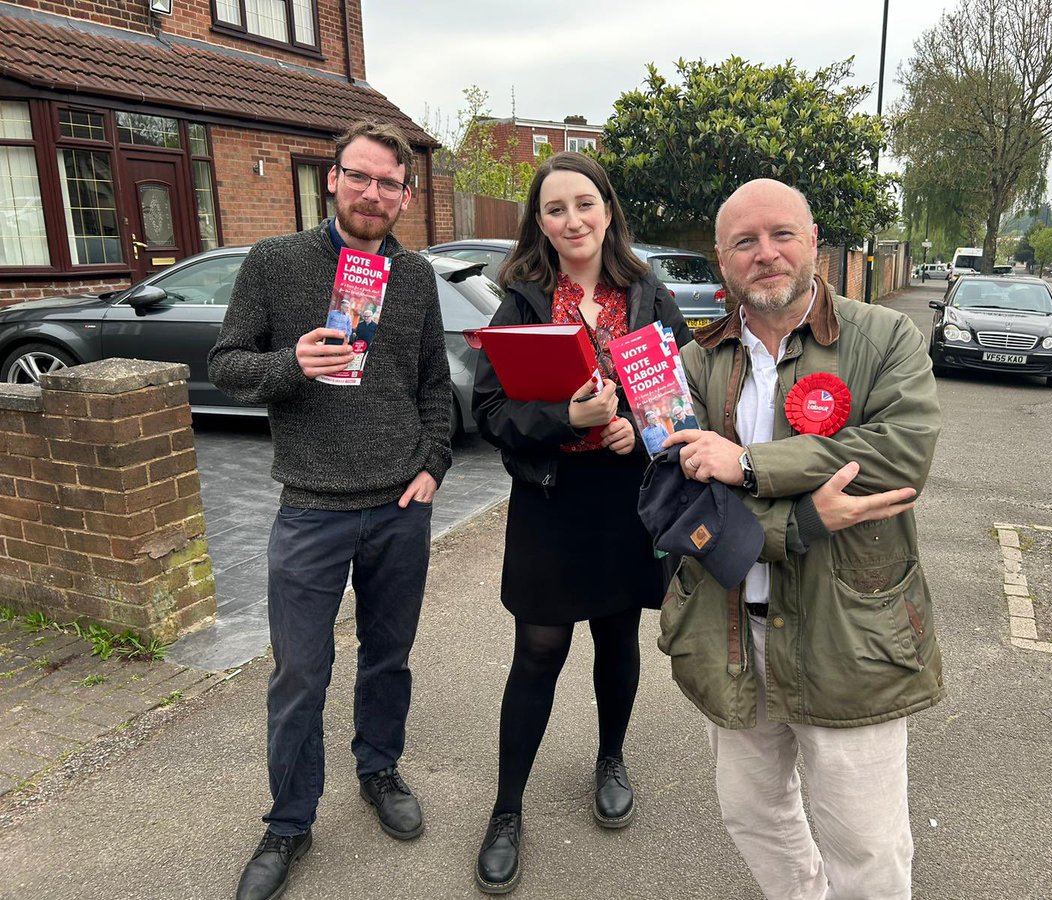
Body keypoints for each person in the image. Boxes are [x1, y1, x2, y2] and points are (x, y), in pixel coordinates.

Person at [660, 178, 944, 900]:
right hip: (733, 629)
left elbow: (898, 456)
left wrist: (748, 464)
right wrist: (803, 519)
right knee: (753, 813)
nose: (766, 254)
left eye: (782, 234)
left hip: (846, 631)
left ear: (815, 240)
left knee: (867, 842)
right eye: (744, 242)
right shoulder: (699, 362)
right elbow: (685, 503)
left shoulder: (883, 338)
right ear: (722, 261)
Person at [208, 119, 453, 900]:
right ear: (332, 178)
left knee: (388, 657)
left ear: (407, 196)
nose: (374, 193)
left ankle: (379, 771)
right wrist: (293, 363)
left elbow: (434, 386)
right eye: (361, 177)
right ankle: (289, 822)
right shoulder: (276, 263)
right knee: (300, 673)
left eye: (390, 183)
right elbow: (226, 365)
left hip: (398, 510)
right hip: (310, 509)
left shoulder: (413, 278)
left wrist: (434, 466)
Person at [470, 151, 690, 895]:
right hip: (553, 501)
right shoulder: (523, 301)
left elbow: (686, 396)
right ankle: (506, 811)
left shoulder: (649, 295)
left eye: (584, 204)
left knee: (617, 636)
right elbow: (491, 412)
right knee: (537, 650)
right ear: (540, 221)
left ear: (607, 210)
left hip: (628, 502)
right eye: (555, 208)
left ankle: (610, 757)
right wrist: (566, 416)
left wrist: (638, 424)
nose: (572, 220)